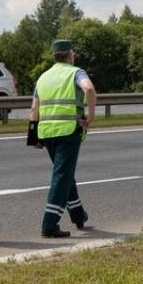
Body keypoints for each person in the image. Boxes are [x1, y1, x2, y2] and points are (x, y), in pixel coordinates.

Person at [30, 39, 97, 237]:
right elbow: (89, 89)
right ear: (71, 55)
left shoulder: (43, 77)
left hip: (46, 132)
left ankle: (78, 215)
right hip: (68, 130)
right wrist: (91, 116)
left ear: (54, 56)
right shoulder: (76, 72)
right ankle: (49, 224)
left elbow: (34, 108)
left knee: (64, 173)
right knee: (62, 175)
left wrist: (34, 136)